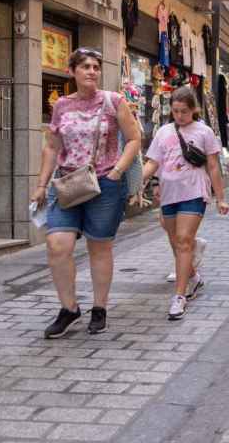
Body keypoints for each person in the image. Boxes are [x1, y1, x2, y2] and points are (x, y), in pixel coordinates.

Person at [33, 48, 142, 339]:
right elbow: (52, 147)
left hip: (105, 183)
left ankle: (99, 308)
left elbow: (134, 139)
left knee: (99, 246)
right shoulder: (62, 106)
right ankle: (69, 308)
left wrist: (118, 170)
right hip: (68, 182)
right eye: (85, 67)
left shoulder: (113, 101)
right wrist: (42, 184)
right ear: (72, 72)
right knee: (57, 244)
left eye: (96, 66)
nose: (92, 71)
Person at [142, 86, 229, 320]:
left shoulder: (204, 132)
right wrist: (136, 181)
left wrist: (221, 198)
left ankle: (179, 296)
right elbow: (153, 162)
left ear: (194, 110)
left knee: (182, 241)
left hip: (194, 192)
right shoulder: (163, 131)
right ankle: (193, 276)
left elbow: (212, 166)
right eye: (176, 111)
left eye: (184, 111)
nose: (179, 116)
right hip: (169, 195)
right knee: (176, 242)